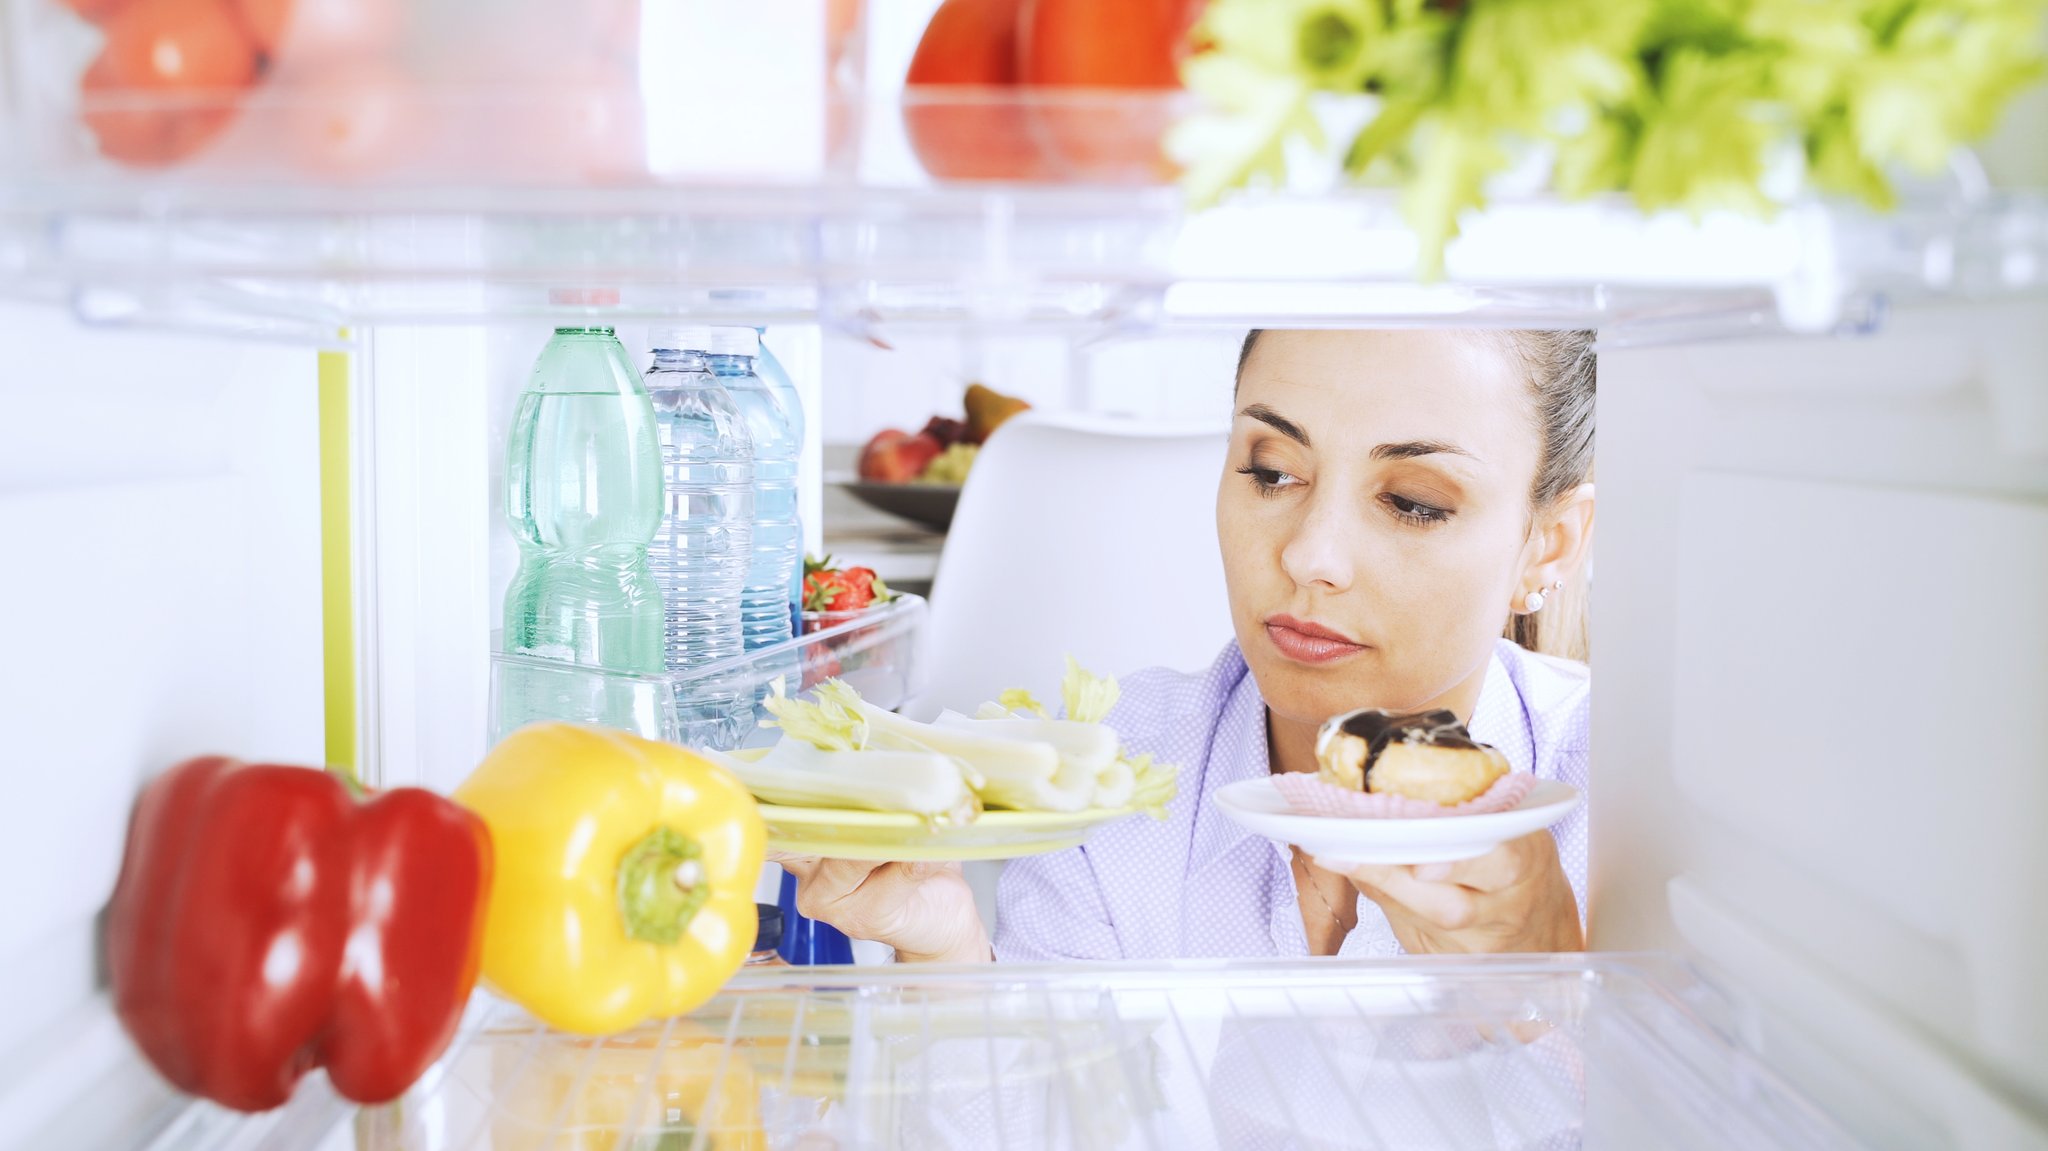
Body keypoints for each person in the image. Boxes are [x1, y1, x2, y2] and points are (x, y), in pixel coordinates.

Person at [776, 328, 1595, 962]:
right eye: (1271, 470)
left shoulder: (1622, 796)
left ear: (1550, 544)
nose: (1311, 555)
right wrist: (946, 960)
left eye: (1414, 502)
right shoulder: (1116, 780)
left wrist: (1551, 994)